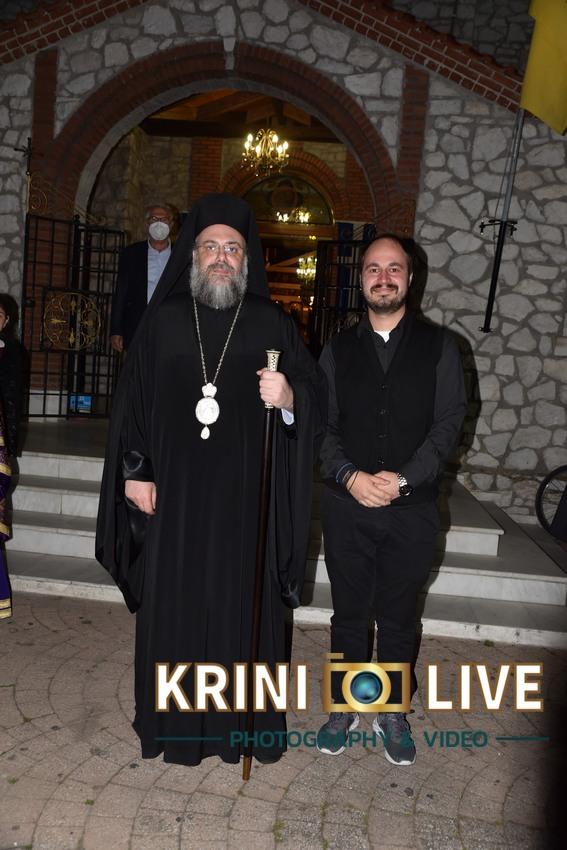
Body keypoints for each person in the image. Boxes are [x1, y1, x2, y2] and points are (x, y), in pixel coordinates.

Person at [96, 193, 326, 767]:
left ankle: (239, 728)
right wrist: (135, 472)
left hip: (246, 504)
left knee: (239, 610)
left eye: (233, 249)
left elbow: (317, 398)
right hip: (173, 499)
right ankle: (172, 726)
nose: (221, 257)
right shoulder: (164, 320)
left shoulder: (272, 323)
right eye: (210, 247)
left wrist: (290, 398)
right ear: (192, 255)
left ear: (246, 259)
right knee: (175, 608)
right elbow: (133, 404)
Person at [316, 234, 466, 766]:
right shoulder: (336, 350)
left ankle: (392, 711)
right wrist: (349, 476)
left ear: (410, 278)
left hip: (412, 511)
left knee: (400, 617)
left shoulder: (441, 347)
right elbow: (321, 425)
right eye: (374, 269)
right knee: (349, 615)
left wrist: (402, 480)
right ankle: (345, 706)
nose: (384, 277)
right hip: (347, 506)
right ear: (361, 280)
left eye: (394, 268)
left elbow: (448, 425)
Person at [110, 203, 176, 353]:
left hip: (172, 327)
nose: (159, 224)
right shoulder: (132, 253)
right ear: (147, 224)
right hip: (138, 324)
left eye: (164, 220)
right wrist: (116, 330)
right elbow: (121, 292)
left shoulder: (181, 255)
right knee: (138, 366)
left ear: (171, 225)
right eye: (154, 219)